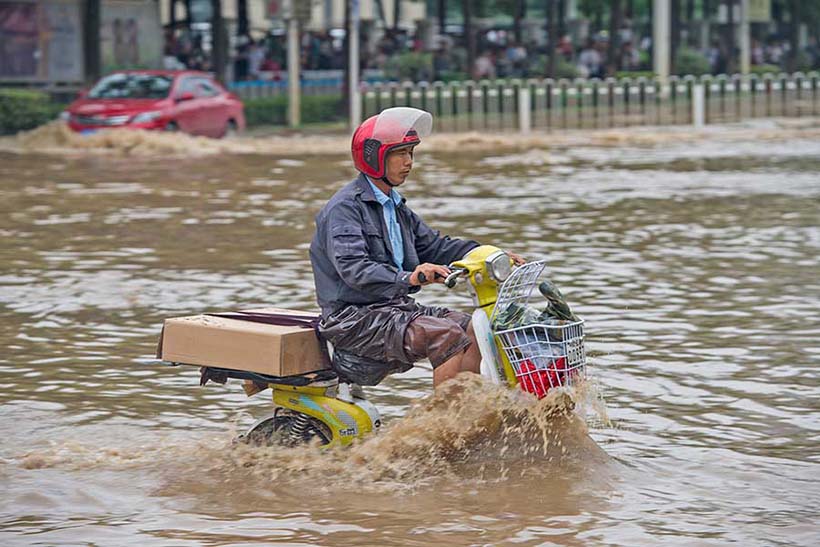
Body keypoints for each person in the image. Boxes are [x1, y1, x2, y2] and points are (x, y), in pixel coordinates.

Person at [310, 108, 522, 388]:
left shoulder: (395, 207)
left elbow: (435, 246)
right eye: (400, 154)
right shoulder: (345, 209)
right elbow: (354, 269)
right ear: (374, 156)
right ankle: (445, 422)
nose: (408, 162)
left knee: (475, 327)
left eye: (411, 153)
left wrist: (489, 253)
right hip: (353, 318)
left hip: (392, 308)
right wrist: (410, 277)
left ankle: (469, 409)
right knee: (445, 334)